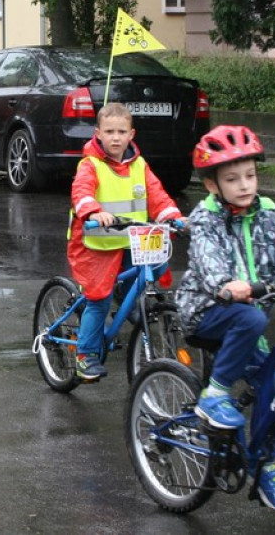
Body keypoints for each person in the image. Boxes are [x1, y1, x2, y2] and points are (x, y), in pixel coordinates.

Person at [175, 125, 275, 512]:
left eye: (250, 175)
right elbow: (208, 258)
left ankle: (262, 464)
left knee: (274, 388)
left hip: (251, 320)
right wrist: (228, 284)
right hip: (207, 311)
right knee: (249, 318)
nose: (245, 185)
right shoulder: (206, 217)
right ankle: (214, 395)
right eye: (233, 179)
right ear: (213, 185)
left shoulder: (269, 213)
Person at [67, 102, 184, 381]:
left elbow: (157, 196)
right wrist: (94, 211)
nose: (115, 137)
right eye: (109, 131)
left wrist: (173, 217)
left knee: (153, 270)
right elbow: (81, 192)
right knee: (98, 300)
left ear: (132, 134)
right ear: (98, 133)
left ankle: (128, 299)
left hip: (133, 241)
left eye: (121, 131)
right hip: (97, 243)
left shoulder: (139, 165)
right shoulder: (90, 164)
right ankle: (85, 355)